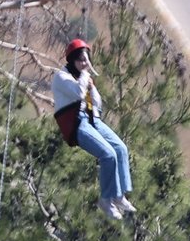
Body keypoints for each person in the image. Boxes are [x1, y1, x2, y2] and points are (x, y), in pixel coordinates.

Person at [52, 38, 135, 220]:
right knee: (108, 155)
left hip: (92, 119)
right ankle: (106, 200)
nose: (84, 64)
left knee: (120, 149)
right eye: (81, 60)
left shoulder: (84, 78)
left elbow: (97, 103)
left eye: (86, 60)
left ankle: (119, 195)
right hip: (76, 123)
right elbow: (76, 93)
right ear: (72, 60)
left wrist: (91, 87)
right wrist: (84, 77)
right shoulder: (61, 77)